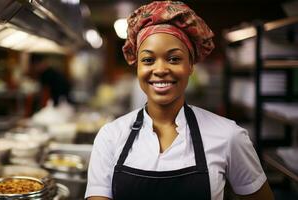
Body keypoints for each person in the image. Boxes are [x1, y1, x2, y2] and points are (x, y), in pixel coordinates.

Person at [85, 1, 274, 200]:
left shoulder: (229, 136)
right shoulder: (110, 137)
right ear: (137, 66)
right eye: (148, 60)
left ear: (191, 65)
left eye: (174, 59)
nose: (160, 70)